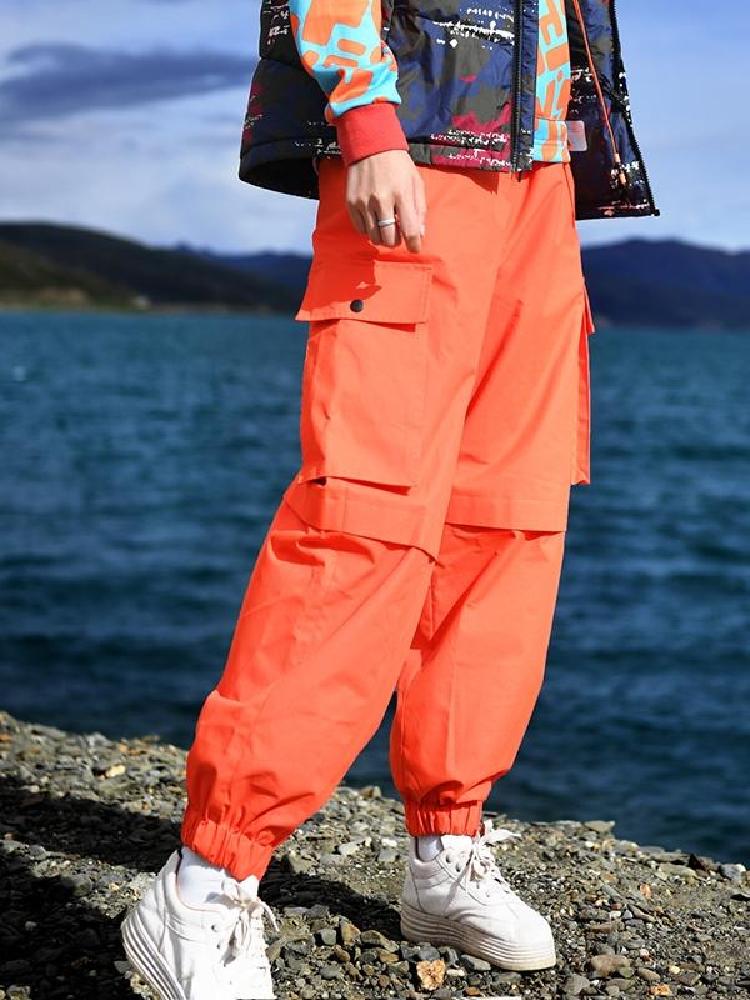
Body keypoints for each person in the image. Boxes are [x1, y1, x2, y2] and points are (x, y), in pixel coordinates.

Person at [120, 0, 659, 996]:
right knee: (365, 518)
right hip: (415, 145)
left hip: (539, 170)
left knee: (509, 520)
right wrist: (367, 119)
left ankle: (446, 849)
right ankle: (207, 881)